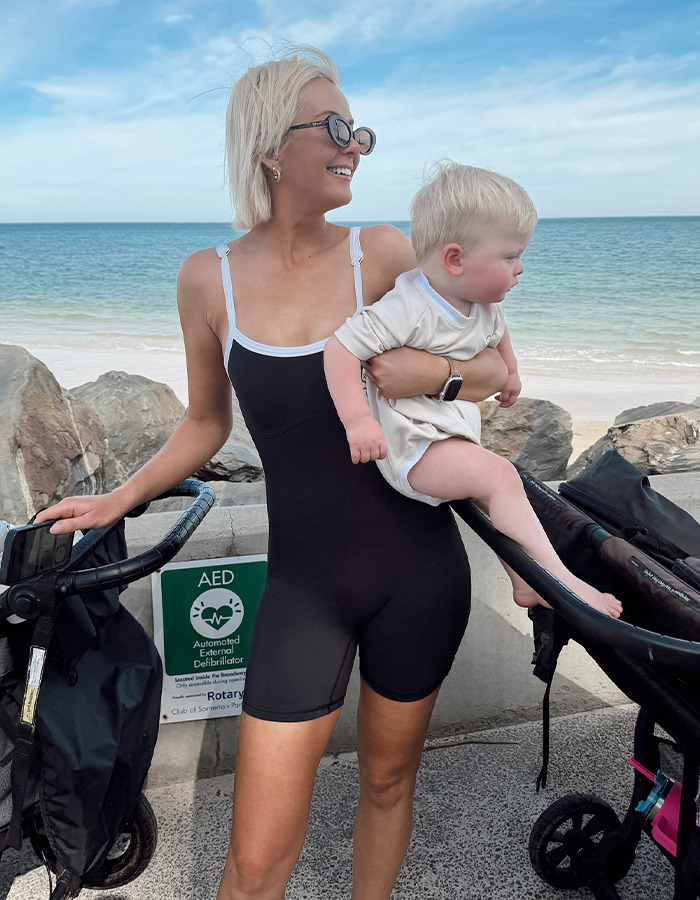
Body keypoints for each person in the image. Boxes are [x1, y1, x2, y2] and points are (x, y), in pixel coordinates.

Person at [37, 49, 510, 899]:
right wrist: (118, 496)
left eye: (358, 128)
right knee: (253, 863)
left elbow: (495, 375)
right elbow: (206, 423)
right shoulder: (207, 278)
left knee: (387, 783)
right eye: (334, 126)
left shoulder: (385, 253)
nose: (355, 143)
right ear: (268, 148)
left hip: (419, 572)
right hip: (305, 589)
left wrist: (427, 380)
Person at [324, 162, 622, 618]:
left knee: (492, 494)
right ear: (455, 259)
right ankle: (562, 583)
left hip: (447, 431)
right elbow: (342, 347)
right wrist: (357, 420)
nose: (520, 268)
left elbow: (498, 335)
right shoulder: (410, 305)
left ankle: (524, 579)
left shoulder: (480, 299)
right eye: (510, 256)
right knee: (501, 478)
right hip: (412, 444)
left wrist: (512, 373)